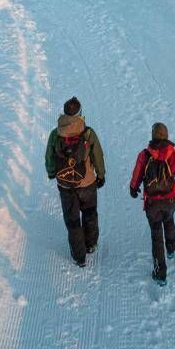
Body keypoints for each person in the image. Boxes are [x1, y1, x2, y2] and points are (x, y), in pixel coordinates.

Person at [129, 122, 175, 285]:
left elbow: (137, 174)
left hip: (152, 203)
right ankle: (171, 248)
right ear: (166, 136)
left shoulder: (144, 155)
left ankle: (160, 273)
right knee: (169, 220)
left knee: (156, 235)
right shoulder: (173, 154)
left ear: (152, 136)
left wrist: (133, 188)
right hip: (170, 200)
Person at [44, 96, 105, 267]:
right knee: (90, 213)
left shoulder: (55, 134)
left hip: (65, 185)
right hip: (87, 183)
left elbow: (49, 157)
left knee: (72, 220)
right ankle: (90, 244)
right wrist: (100, 175)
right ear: (80, 114)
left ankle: (79, 257)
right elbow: (98, 155)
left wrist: (52, 173)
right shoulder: (88, 133)